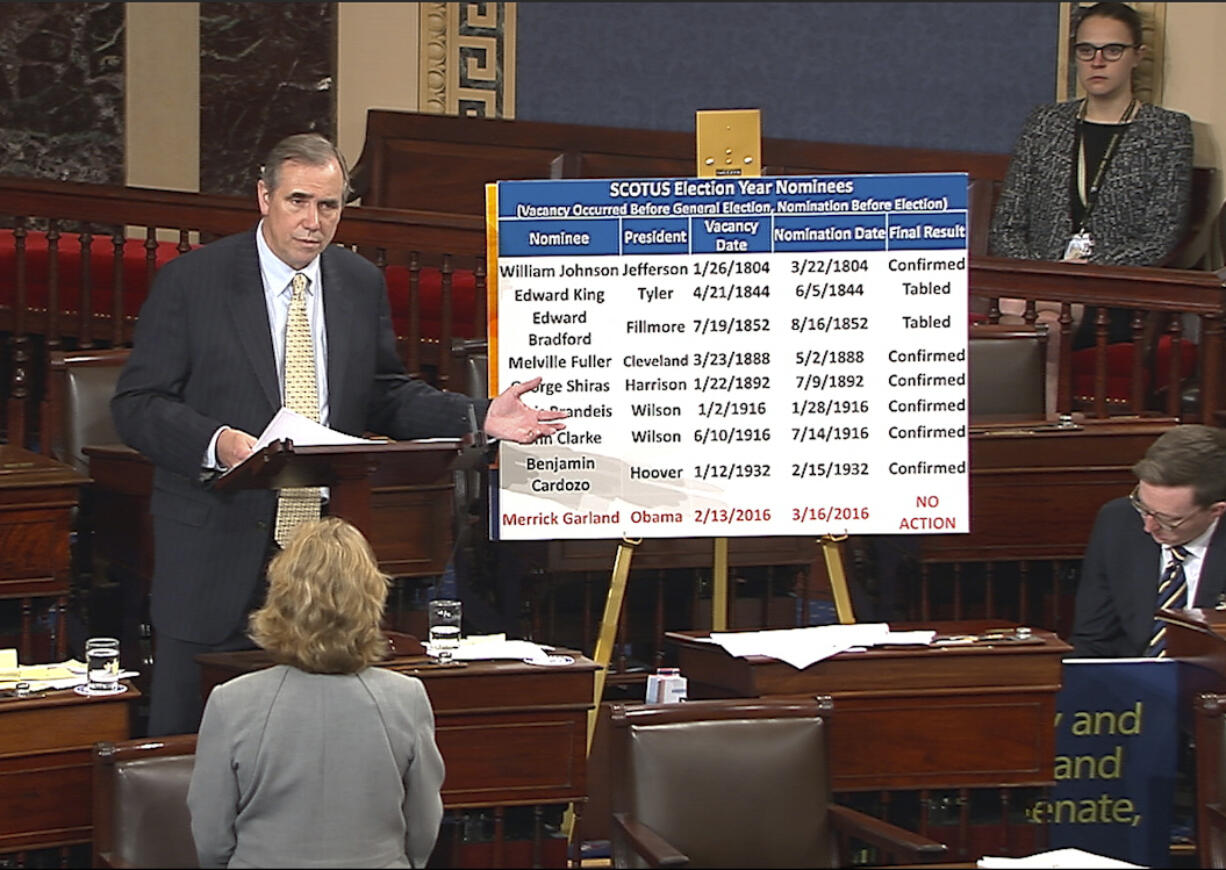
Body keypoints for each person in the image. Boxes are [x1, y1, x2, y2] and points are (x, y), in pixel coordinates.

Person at [111, 132, 565, 736]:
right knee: (188, 742)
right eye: (298, 201)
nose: (312, 221)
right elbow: (138, 405)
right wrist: (218, 442)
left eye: (328, 206)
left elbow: (383, 392)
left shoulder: (357, 282)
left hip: (322, 555)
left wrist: (477, 417)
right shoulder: (194, 282)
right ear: (263, 197)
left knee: (312, 739)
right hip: (215, 544)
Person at [187, 517, 443, 868]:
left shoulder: (230, 702)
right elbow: (424, 826)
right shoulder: (407, 698)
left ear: (280, 598)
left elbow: (211, 836)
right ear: (372, 597)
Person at [989, 1, 1193, 349]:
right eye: (1086, 50)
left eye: (1112, 50)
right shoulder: (1045, 123)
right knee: (1034, 315)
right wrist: (1047, 275)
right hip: (1037, 284)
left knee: (1039, 319)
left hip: (1112, 293)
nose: (1097, 61)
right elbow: (1006, 225)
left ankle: (1041, 405)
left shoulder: (1166, 131)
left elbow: (1160, 237)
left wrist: (1084, 275)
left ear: (1137, 55)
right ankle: (1043, 404)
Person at [1071, 425, 1226, 658]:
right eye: (1143, 508)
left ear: (1216, 511)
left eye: (1168, 520)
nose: (1148, 526)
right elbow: (1094, 638)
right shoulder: (1118, 522)